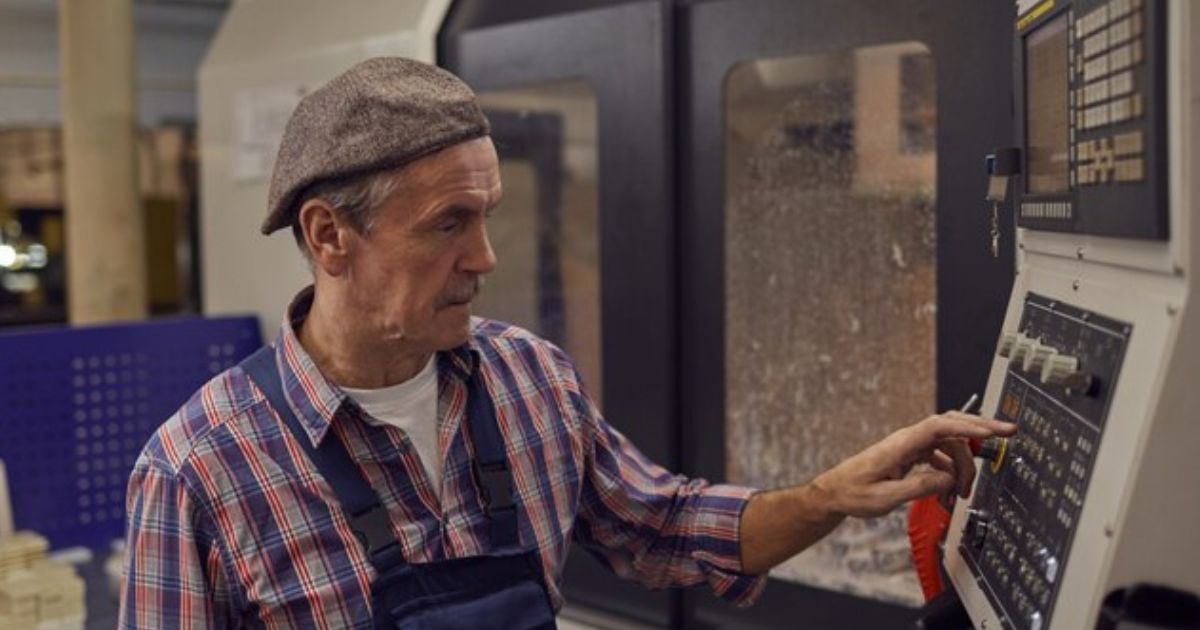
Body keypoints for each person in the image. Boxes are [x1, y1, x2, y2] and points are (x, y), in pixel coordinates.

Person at [119, 58, 1014, 628]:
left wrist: (832, 494)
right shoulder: (200, 471)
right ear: (329, 237)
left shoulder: (526, 382)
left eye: (489, 215)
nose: (486, 256)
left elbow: (664, 525)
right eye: (447, 225)